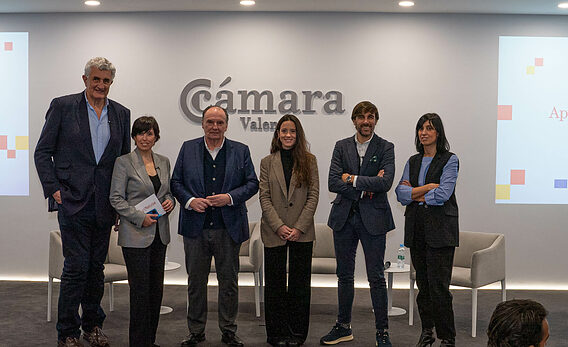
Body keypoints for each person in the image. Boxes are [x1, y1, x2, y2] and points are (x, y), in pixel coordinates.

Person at [34, 57, 131, 347]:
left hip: (104, 204)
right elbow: (43, 152)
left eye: (106, 81)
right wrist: (53, 189)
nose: (101, 85)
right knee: (76, 267)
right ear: (85, 79)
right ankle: (67, 332)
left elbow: (122, 163)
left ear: (111, 83)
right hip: (72, 201)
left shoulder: (122, 113)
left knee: (95, 269)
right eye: (96, 79)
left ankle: (92, 327)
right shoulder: (63, 107)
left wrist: (119, 204)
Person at [171, 105, 259, 347]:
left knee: (229, 283)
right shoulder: (188, 148)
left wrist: (229, 198)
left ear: (226, 125)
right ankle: (196, 331)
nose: (215, 127)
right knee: (195, 284)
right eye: (210, 122)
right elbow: (175, 182)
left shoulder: (241, 151)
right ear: (202, 124)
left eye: (220, 122)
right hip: (195, 229)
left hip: (228, 228)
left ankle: (229, 330)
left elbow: (252, 183)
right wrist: (190, 201)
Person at [320, 101, 395, 347]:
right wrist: (366, 186)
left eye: (371, 117)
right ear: (354, 120)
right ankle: (343, 327)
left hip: (374, 220)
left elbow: (385, 184)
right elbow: (332, 182)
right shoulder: (341, 146)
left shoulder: (386, 147)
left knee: (376, 277)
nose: (366, 121)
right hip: (344, 219)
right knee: (344, 276)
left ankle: (382, 332)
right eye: (361, 117)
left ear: (376, 120)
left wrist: (351, 179)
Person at [109, 116, 175, 347]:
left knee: (155, 293)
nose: (144, 138)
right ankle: (138, 343)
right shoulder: (123, 162)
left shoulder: (164, 161)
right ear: (134, 136)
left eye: (149, 133)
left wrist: (170, 202)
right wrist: (140, 217)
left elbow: (166, 192)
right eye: (140, 133)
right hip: (135, 235)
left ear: (156, 136)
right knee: (139, 294)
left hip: (160, 235)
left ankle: (150, 341)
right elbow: (116, 198)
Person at [394, 113, 459, 347]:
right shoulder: (412, 161)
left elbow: (443, 195)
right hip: (417, 229)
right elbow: (400, 194)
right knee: (423, 286)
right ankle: (427, 331)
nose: (424, 132)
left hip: (441, 231)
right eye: (421, 128)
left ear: (438, 133)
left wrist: (415, 194)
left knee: (439, 288)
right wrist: (427, 188)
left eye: (429, 128)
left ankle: (447, 337)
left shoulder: (450, 160)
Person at [259, 114, 319, 347]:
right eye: (283, 131)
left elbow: (313, 196)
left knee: (299, 286)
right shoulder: (267, 162)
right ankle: (276, 334)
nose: (288, 135)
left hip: (301, 233)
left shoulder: (309, 160)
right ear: (277, 134)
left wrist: (298, 227)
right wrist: (279, 226)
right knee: (274, 285)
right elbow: (264, 197)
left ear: (298, 134)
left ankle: (297, 334)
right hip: (274, 231)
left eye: (292, 131)